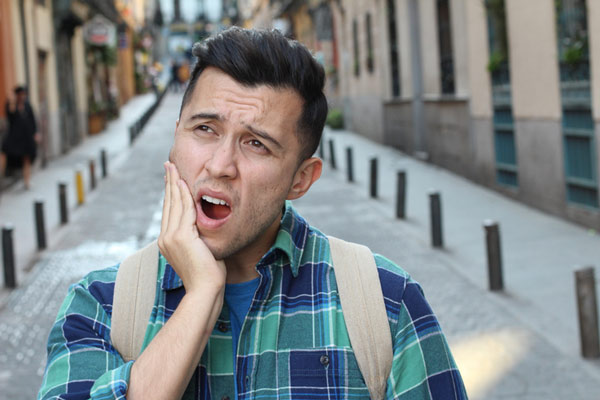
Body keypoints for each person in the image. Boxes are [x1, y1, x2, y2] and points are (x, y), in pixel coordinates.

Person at [38, 28, 467, 399]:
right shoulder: (100, 307)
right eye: (205, 129)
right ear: (175, 137)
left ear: (301, 178)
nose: (220, 164)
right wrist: (202, 295)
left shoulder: (386, 305)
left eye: (256, 143)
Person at [1, 85, 39, 189]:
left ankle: (27, 181)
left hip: (26, 137)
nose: (22, 96)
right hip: (15, 137)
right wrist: (12, 102)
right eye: (20, 94)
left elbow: (33, 120)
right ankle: (2, 176)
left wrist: (36, 133)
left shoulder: (27, 106)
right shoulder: (11, 105)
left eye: (23, 94)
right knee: (4, 151)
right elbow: (9, 116)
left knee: (27, 158)